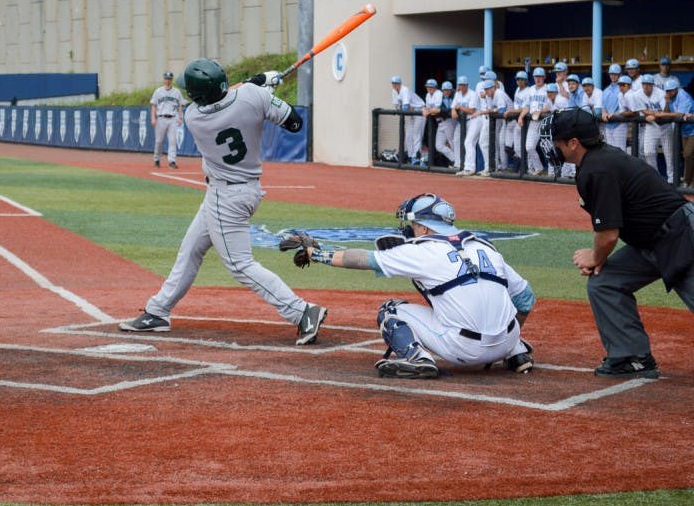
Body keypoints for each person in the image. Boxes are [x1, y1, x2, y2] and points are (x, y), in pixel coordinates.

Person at [119, 59, 328, 344]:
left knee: (240, 264)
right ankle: (158, 310)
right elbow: (294, 122)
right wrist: (265, 92)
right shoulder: (252, 97)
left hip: (226, 197)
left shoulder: (195, 117)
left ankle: (301, 311)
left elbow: (228, 99)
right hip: (244, 190)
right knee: (191, 249)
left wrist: (257, 84)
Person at [288, 193, 535, 379]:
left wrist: (315, 254)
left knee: (390, 310)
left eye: (414, 224)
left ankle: (419, 359)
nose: (410, 229)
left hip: (464, 350)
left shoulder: (423, 251)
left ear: (425, 227)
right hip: (507, 340)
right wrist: (504, 340)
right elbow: (526, 299)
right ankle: (517, 353)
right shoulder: (484, 246)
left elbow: (363, 260)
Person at [539, 108, 694, 378]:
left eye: (557, 141)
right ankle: (631, 356)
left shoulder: (598, 169)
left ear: (573, 143)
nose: (553, 146)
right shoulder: (594, 162)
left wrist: (595, 257)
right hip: (652, 243)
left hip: (681, 236)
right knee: (605, 282)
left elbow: (609, 234)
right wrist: (599, 260)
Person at [456, 79, 500, 176]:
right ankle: (479, 167)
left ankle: (487, 167)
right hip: (480, 117)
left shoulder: (496, 92)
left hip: (481, 117)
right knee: (478, 143)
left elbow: (473, 110)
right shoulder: (481, 88)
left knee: (481, 143)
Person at [634, 74, 672, 182]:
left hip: (665, 125)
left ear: (653, 85)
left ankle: (672, 179)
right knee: (648, 152)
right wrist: (651, 114)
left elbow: (665, 112)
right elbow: (642, 110)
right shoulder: (637, 94)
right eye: (644, 84)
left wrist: (654, 115)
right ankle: (655, 178)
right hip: (651, 125)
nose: (646, 86)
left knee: (669, 154)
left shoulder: (660, 93)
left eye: (649, 84)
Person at [149, 70, 185, 168]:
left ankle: (171, 161)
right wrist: (153, 118)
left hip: (173, 118)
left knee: (172, 141)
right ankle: (156, 159)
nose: (168, 80)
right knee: (159, 141)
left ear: (172, 80)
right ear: (164, 79)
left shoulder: (176, 92)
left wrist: (180, 118)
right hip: (161, 118)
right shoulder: (158, 91)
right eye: (166, 78)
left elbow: (180, 106)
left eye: (169, 79)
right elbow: (154, 105)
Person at [518, 67, 550, 176]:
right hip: (534, 121)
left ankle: (554, 171)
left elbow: (550, 105)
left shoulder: (548, 88)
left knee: (550, 147)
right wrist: (521, 116)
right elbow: (527, 105)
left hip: (546, 120)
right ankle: (538, 168)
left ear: (544, 77)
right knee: (529, 147)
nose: (538, 79)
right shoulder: (531, 89)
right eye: (536, 76)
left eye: (540, 76)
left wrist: (540, 111)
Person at [390, 75, 426, 165]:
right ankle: (411, 157)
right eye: (393, 83)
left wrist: (402, 107)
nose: (395, 85)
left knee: (416, 135)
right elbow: (396, 106)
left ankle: (417, 158)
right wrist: (401, 107)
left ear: (400, 83)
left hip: (420, 111)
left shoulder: (404, 90)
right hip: (412, 113)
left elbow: (405, 107)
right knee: (408, 136)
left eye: (396, 83)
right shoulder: (394, 91)